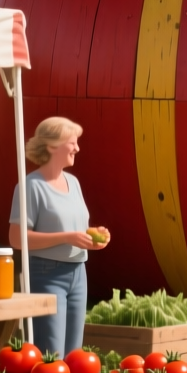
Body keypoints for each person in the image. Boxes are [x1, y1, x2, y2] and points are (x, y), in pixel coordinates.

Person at [10, 117, 111, 355]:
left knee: (74, 353)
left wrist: (94, 236)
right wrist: (67, 237)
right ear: (52, 146)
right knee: (50, 355)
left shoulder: (73, 182)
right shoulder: (30, 186)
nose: (77, 148)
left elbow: (74, 228)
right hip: (46, 274)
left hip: (78, 273)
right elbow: (17, 238)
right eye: (72, 142)